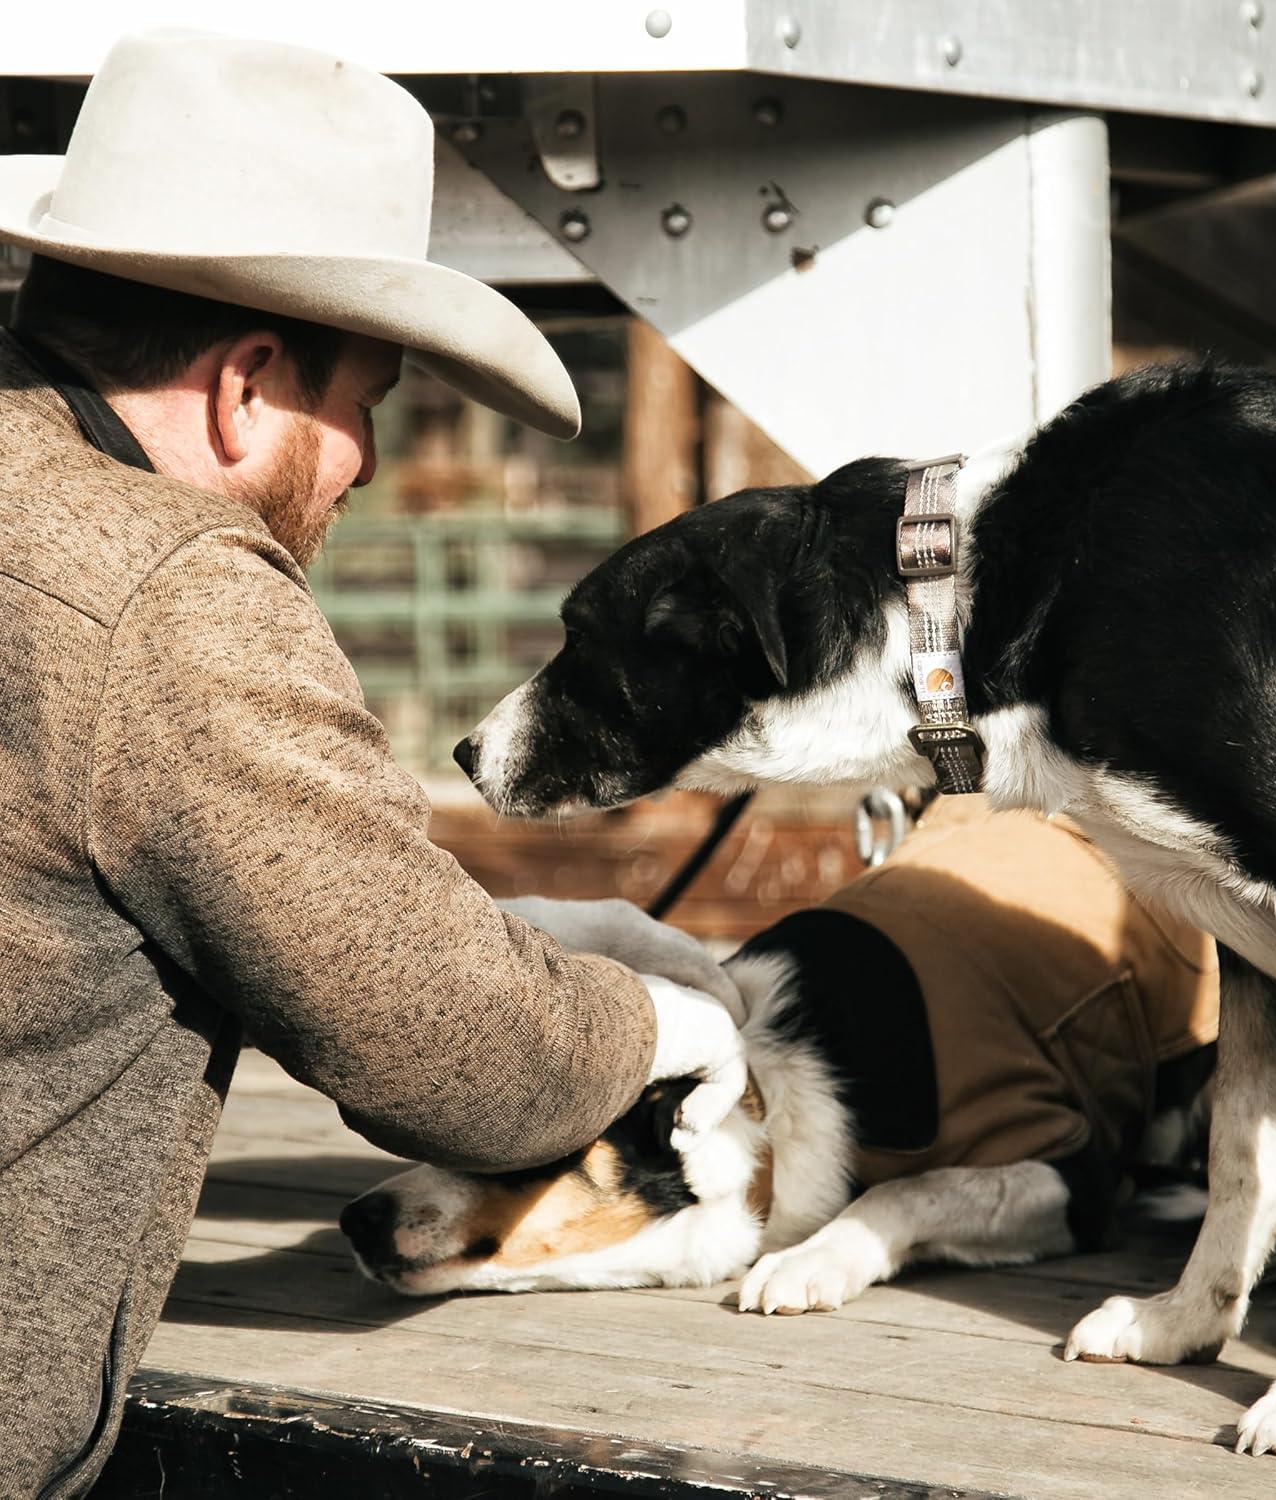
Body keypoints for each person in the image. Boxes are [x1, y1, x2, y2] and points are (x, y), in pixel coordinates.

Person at [0, 31, 744, 1498]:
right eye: (369, 405)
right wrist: (671, 1028)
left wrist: (539, 939)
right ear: (247, 387)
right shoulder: (166, 592)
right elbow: (454, 1049)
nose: (367, 463)